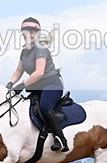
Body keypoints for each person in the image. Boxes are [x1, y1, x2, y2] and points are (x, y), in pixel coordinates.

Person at [7, 17, 69, 152]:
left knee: (45, 106)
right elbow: (19, 70)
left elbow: (39, 73)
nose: (28, 35)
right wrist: (11, 83)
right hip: (37, 87)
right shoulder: (24, 51)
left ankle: (61, 139)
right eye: (26, 32)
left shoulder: (41, 49)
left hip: (51, 84)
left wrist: (21, 86)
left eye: (32, 32)